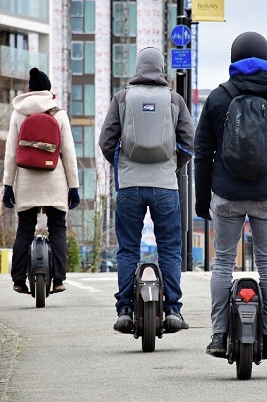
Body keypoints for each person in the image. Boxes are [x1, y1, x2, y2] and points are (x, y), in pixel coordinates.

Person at [194, 32, 267, 359]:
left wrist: (203, 200)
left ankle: (218, 336)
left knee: (223, 263)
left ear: (234, 59)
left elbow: (203, 153)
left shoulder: (217, 98)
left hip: (226, 196)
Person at [99, 47, 195, 334]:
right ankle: (173, 311)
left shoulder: (122, 98)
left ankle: (125, 310)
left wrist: (124, 164)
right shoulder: (175, 99)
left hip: (129, 184)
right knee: (169, 248)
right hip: (165, 185)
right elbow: (189, 142)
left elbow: (107, 141)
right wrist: (173, 165)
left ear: (138, 67)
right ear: (162, 68)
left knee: (128, 248)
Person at [3, 67, 80, 295]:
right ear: (48, 91)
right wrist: (73, 186)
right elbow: (69, 153)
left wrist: (8, 184)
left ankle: (18, 280)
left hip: (26, 181)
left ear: (28, 90)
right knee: (58, 228)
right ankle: (58, 280)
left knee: (25, 228)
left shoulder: (18, 114)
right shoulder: (59, 114)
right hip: (55, 180)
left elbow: (10, 153)